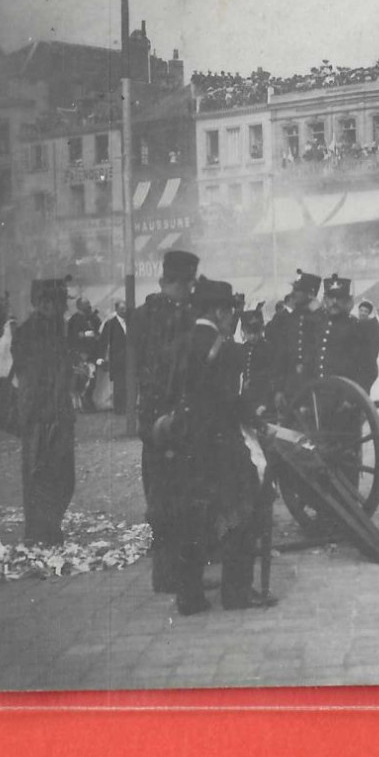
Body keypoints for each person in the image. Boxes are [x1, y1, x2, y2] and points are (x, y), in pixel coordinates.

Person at [161, 278, 276, 615]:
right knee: (243, 510)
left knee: (194, 516)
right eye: (230, 311)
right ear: (219, 311)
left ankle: (189, 596)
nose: (233, 319)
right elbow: (229, 400)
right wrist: (256, 419)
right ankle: (236, 594)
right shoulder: (226, 348)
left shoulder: (180, 343)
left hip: (186, 442)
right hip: (220, 441)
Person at [133, 248, 201, 594]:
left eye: (190, 285)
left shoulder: (181, 313)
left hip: (175, 416)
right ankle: (167, 573)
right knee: (162, 497)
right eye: (183, 285)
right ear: (166, 282)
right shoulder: (150, 317)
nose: (188, 291)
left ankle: (180, 570)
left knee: (180, 494)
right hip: (160, 418)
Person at [12, 278, 76, 546]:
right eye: (50, 302)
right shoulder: (29, 332)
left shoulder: (59, 328)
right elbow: (31, 376)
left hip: (59, 412)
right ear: (40, 303)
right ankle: (40, 530)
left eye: (59, 302)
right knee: (41, 473)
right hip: (40, 414)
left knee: (62, 474)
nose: (57, 307)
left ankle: (49, 525)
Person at [66, 298, 102, 411]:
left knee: (92, 379)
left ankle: (87, 401)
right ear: (79, 306)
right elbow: (73, 337)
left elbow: (99, 330)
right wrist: (87, 334)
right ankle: (83, 404)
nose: (89, 306)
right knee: (83, 379)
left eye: (89, 304)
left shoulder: (92, 318)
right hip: (81, 354)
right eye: (86, 304)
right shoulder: (74, 319)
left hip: (92, 353)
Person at [100, 300, 129, 414]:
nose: (124, 311)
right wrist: (102, 358)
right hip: (117, 359)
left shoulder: (131, 322)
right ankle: (119, 408)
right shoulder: (110, 324)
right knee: (119, 385)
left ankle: (128, 407)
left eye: (125, 308)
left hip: (130, 359)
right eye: (122, 309)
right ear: (116, 310)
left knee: (129, 384)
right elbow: (104, 342)